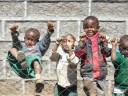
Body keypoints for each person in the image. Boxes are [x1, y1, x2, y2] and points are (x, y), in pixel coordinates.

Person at [6, 21, 54, 93]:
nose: (29, 42)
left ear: (37, 41)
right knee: (13, 49)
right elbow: (16, 42)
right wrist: (13, 32)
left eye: (32, 40)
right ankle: (20, 58)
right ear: (24, 39)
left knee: (35, 60)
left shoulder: (38, 47)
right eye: (28, 39)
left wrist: (49, 31)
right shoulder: (22, 47)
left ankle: (38, 78)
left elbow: (45, 42)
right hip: (22, 67)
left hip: (32, 69)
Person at [75, 16, 111, 96]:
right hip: (87, 71)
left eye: (92, 27)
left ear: (98, 27)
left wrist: (103, 43)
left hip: (101, 70)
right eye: (86, 27)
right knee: (87, 89)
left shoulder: (102, 39)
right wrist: (81, 43)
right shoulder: (82, 39)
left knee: (101, 92)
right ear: (83, 28)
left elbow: (108, 53)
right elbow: (78, 54)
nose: (89, 29)